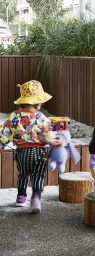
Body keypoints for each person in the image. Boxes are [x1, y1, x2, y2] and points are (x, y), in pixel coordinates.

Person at [0, 80, 64, 213]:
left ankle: (21, 198)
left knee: (23, 175)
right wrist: (59, 141)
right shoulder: (41, 117)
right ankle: (35, 198)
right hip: (39, 153)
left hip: (22, 153)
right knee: (39, 176)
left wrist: (1, 146)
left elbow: (5, 135)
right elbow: (48, 135)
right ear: (38, 103)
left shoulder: (13, 117)